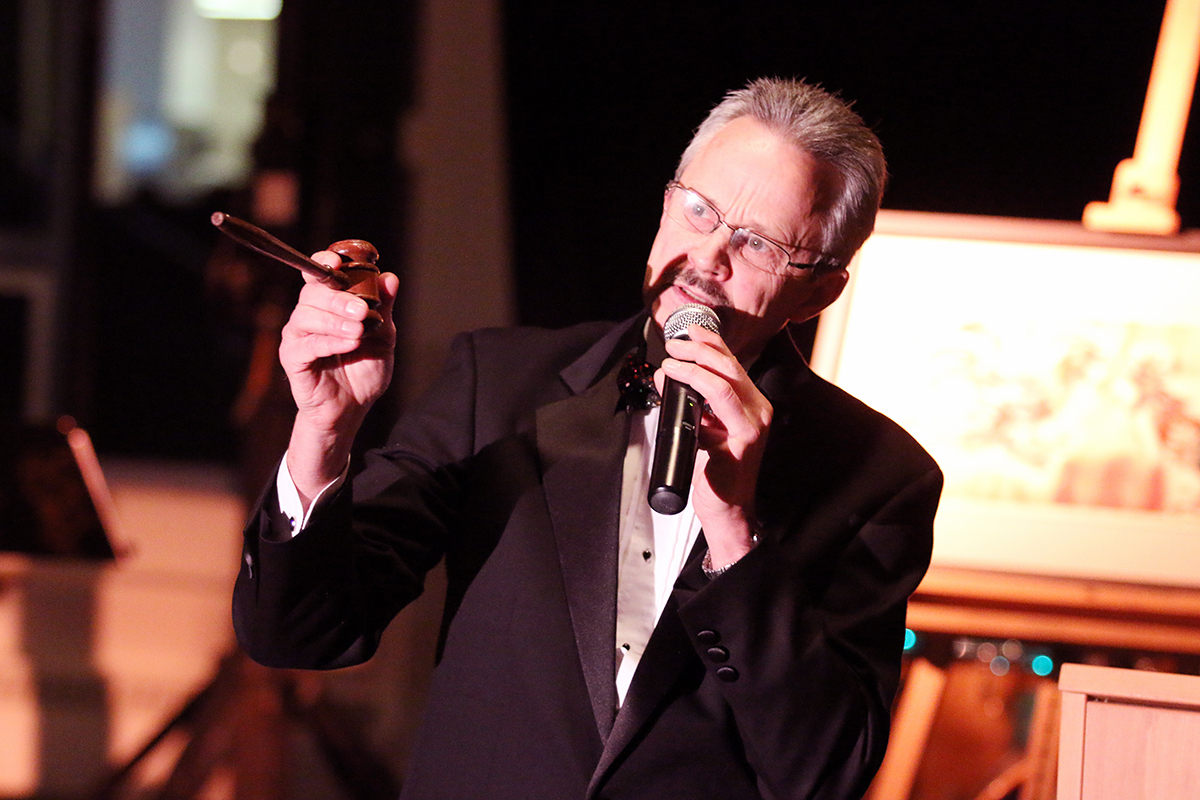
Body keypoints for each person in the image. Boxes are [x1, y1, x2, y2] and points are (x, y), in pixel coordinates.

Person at [233, 77, 943, 800]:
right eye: (699, 211)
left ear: (819, 290)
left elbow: (826, 774)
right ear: (666, 203)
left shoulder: (878, 477)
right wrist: (324, 430)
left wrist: (734, 539)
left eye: (757, 244)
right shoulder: (501, 384)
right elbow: (300, 635)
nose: (709, 258)